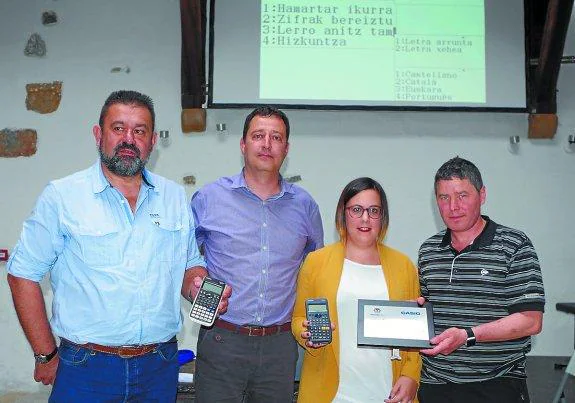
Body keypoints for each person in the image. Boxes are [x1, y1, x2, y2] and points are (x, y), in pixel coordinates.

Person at [6, 90, 224, 402]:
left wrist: (199, 286)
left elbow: (188, 266)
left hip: (158, 365)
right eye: (118, 128)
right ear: (99, 135)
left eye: (139, 131)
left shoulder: (174, 197)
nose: (128, 139)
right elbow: (22, 274)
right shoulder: (62, 197)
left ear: (151, 142)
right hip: (86, 368)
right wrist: (46, 355)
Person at [184, 106, 324, 402]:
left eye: (276, 137)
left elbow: (314, 272)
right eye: (258, 135)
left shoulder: (305, 206)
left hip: (280, 347)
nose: (266, 144)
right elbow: (185, 262)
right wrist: (193, 285)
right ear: (243, 144)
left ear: (286, 148)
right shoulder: (209, 198)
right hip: (222, 341)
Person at [417, 157, 545, 403]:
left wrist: (468, 335)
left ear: (482, 194)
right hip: (435, 384)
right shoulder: (428, 250)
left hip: (495, 385)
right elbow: (428, 313)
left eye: (462, 195)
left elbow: (531, 321)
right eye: (444, 197)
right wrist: (411, 311)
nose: (453, 206)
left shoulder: (514, 245)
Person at [292, 177, 421, 403]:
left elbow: (414, 335)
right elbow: (298, 318)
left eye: (374, 210)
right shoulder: (316, 262)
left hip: (388, 393)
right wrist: (305, 333)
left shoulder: (404, 266)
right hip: (330, 394)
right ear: (343, 213)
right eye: (357, 209)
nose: (365, 218)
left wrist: (411, 376)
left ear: (383, 217)